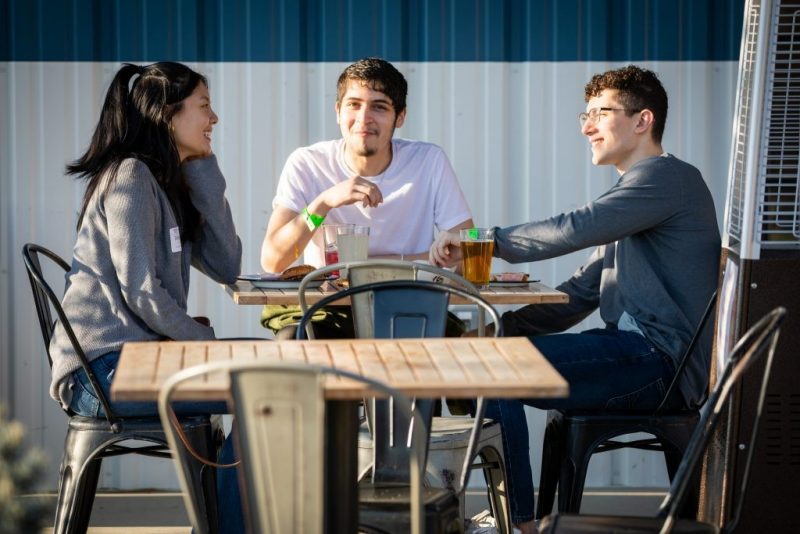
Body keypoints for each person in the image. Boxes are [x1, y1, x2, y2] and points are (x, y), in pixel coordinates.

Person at [430, 65, 721, 534]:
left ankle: (519, 525)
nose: (587, 127)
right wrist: (505, 329)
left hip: (659, 363)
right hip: (635, 354)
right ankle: (520, 518)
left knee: (491, 368)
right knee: (487, 355)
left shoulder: (668, 180)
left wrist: (486, 239)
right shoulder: (636, 194)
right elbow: (580, 293)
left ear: (642, 120)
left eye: (601, 114)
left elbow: (575, 227)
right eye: (584, 115)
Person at [49, 62, 243, 532]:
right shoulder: (130, 178)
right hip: (102, 372)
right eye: (203, 107)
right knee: (261, 390)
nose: (214, 118)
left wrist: (204, 172)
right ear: (167, 115)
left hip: (135, 360)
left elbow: (226, 265)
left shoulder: (165, 184)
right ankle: (232, 525)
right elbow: (141, 293)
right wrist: (203, 342)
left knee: (263, 382)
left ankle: (226, 521)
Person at [260, 57, 474, 338]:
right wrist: (323, 204)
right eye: (354, 104)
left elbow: (467, 254)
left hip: (406, 305)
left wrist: (363, 269)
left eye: (379, 106)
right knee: (292, 342)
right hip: (324, 309)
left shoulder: (428, 160)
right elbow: (273, 261)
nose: (364, 118)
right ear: (338, 111)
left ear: (400, 117)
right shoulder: (307, 162)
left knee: (461, 354)